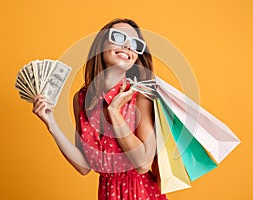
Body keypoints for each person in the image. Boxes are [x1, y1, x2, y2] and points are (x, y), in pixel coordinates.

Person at [33, 18, 167, 200]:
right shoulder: (81, 99)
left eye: (135, 43)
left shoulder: (142, 95)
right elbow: (83, 166)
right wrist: (51, 123)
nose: (128, 46)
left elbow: (143, 164)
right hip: (107, 193)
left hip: (140, 193)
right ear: (101, 44)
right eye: (119, 37)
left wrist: (115, 114)